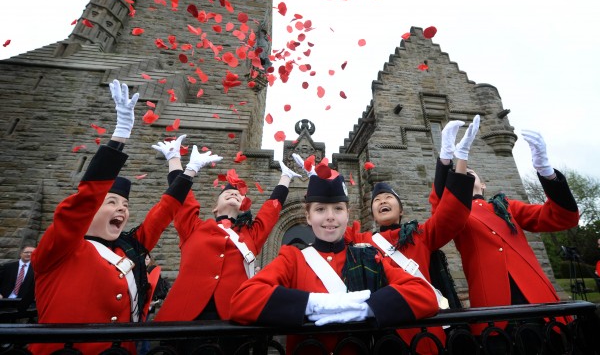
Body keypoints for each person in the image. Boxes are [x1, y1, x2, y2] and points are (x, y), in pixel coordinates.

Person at [29, 80, 204, 355]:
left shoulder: (129, 247)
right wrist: (120, 135)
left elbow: (163, 213)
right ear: (92, 210)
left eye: (125, 204)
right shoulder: (61, 248)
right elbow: (82, 202)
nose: (122, 209)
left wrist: (188, 171)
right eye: (111, 202)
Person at [292, 116, 478, 354]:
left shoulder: (421, 234)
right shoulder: (363, 241)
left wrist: (453, 161)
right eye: (377, 200)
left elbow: (450, 214)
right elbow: (332, 222)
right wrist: (318, 183)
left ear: (400, 209)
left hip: (423, 328)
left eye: (388, 198)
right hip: (382, 332)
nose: (382, 202)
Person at [229, 167, 440, 355]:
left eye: (338, 209)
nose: (330, 217)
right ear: (308, 217)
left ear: (348, 214)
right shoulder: (292, 258)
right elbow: (242, 300)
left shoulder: (368, 256)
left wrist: (368, 307)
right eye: (320, 209)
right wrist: (312, 304)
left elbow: (424, 295)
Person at [430, 129, 580, 336]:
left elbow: (563, 217)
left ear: (483, 185)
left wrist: (547, 174)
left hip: (537, 298)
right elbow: (441, 216)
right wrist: (446, 160)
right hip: (493, 304)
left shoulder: (507, 206)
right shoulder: (456, 212)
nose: (466, 173)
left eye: (470, 173)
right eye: (461, 175)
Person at [152, 146, 301, 343]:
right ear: (215, 207)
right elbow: (181, 198)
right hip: (185, 320)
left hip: (232, 320)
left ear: (243, 205)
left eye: (238, 195)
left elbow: (270, 211)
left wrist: (286, 178)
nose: (234, 194)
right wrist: (174, 159)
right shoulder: (193, 227)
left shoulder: (251, 234)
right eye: (227, 194)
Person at [0, 245, 36, 312]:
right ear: (21, 253)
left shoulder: (37, 269)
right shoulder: (8, 267)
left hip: (24, 303)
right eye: (26, 252)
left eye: (32, 253)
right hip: (4, 299)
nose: (29, 254)